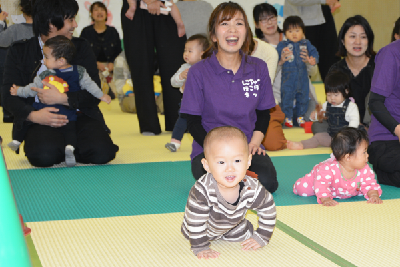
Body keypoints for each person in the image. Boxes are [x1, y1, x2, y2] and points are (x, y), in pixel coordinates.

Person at [1, 0, 118, 167]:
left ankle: (70, 146)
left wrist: (64, 98)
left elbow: (93, 93)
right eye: (70, 20)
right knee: (43, 155)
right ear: (51, 23)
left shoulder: (81, 47)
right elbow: (8, 95)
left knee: (102, 153)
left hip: (80, 115)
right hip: (41, 117)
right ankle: (63, 146)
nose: (75, 24)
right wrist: (33, 116)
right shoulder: (20, 50)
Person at [180, 2, 278, 193]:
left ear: (246, 32)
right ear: (214, 35)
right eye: (224, 24)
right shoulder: (198, 72)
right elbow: (192, 121)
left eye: (239, 23)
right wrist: (214, 150)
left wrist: (255, 143)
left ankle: (242, 180)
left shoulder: (258, 67)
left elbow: (263, 113)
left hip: (247, 148)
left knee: (267, 183)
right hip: (209, 149)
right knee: (217, 184)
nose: (232, 29)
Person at [8, 36, 111, 166]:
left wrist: (101, 95)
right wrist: (18, 91)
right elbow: (32, 89)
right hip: (46, 112)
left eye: (46, 57)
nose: (43, 61)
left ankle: (69, 149)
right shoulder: (46, 74)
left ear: (61, 60)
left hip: (70, 112)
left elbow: (91, 86)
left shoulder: (79, 71)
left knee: (78, 136)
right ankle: (17, 140)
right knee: (41, 152)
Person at [181, 126, 276, 259]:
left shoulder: (252, 187)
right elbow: (195, 222)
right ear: (207, 166)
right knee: (193, 231)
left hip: (233, 225)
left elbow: (268, 208)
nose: (230, 168)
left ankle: (232, 230)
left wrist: (262, 236)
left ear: (248, 161)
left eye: (237, 161)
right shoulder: (202, 190)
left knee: (247, 236)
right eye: (221, 162)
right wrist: (200, 247)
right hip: (202, 228)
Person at [122, 0, 186, 136]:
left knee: (174, 62)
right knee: (140, 64)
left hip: (164, 6)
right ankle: (148, 124)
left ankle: (177, 121)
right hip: (136, 9)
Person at [253, 3, 319, 128]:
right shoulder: (257, 48)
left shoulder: (295, 35)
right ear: (256, 24)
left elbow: (313, 73)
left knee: (317, 123)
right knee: (274, 126)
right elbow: (262, 81)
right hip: (279, 101)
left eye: (271, 17)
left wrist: (308, 62)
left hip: (304, 98)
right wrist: (279, 63)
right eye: (263, 19)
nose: (269, 22)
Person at [314, 15, 375, 134]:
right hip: (346, 123)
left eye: (363, 37)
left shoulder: (379, 65)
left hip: (375, 121)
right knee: (317, 126)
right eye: (352, 36)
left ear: (369, 41)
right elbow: (333, 102)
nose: (357, 42)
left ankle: (362, 134)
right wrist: (322, 113)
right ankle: (357, 135)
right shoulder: (336, 69)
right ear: (342, 40)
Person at [293, 127, 382, 206]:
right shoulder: (328, 169)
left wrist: (374, 195)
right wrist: (325, 198)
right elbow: (321, 184)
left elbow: (370, 184)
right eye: (364, 152)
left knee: (362, 190)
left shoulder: (364, 169)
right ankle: (307, 185)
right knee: (301, 189)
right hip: (317, 180)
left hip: (342, 190)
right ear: (348, 157)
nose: (367, 155)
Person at [287, 70, 359, 150]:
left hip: (346, 138)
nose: (332, 98)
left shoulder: (350, 106)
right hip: (331, 136)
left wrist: (348, 135)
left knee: (358, 138)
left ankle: (343, 145)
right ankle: (302, 144)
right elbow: (320, 116)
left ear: (346, 92)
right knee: (318, 137)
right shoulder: (326, 105)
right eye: (329, 95)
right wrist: (314, 116)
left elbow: (354, 122)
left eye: (336, 95)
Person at [165, 34, 209, 152]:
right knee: (181, 121)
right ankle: (175, 143)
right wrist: (181, 77)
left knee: (206, 124)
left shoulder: (207, 68)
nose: (186, 53)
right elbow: (173, 82)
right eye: (185, 50)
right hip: (187, 104)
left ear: (202, 53)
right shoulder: (185, 67)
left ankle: (207, 143)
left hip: (205, 106)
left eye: (190, 51)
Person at [368, 38, 400, 187]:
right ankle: (381, 171)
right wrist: (397, 129)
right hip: (387, 136)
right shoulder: (391, 53)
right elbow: (375, 102)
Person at [277, 16, 319, 127]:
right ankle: (288, 117)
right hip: (288, 79)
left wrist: (313, 60)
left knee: (303, 98)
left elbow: (314, 53)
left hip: (303, 78)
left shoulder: (306, 44)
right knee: (287, 97)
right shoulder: (282, 45)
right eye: (290, 31)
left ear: (303, 32)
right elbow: (276, 57)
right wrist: (280, 59)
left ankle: (300, 117)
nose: (294, 34)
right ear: (285, 34)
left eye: (297, 30)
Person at [284, 0, 340, 81]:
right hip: (301, 22)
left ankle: (337, 92)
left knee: (332, 65)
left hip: (324, 16)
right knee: (301, 69)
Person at [0, 0, 34, 123]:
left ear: (22, 9)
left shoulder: (15, 29)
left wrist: (0, 22)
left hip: (17, 75)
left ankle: (10, 115)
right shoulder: (45, 29)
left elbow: (1, 40)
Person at [80, 1, 122, 100]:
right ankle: (102, 90)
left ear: (106, 13)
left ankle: (105, 90)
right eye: (96, 10)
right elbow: (82, 53)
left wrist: (112, 63)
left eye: (102, 9)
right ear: (91, 14)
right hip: (94, 67)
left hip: (110, 68)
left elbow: (118, 52)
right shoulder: (86, 32)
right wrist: (96, 63)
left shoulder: (113, 32)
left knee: (117, 92)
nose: (99, 12)